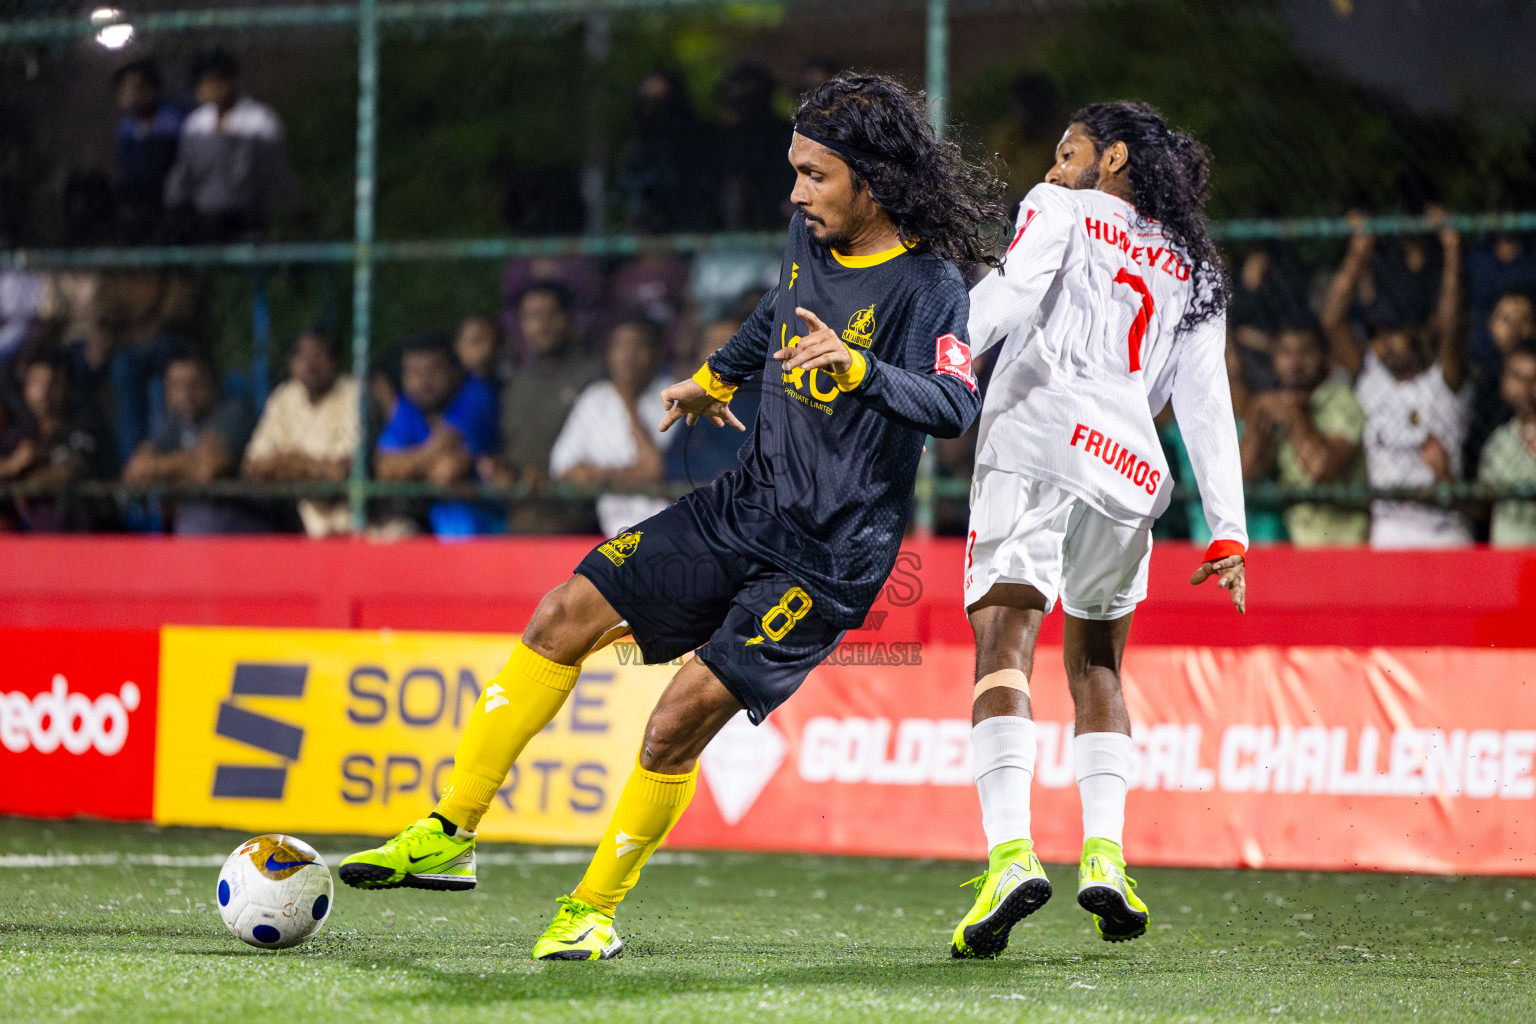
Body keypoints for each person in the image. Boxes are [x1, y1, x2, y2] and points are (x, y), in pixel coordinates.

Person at [338, 71, 1002, 962]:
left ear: (871, 182)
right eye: (795, 172)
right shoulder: (806, 236)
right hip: (746, 505)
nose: (796, 192)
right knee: (561, 614)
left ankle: (591, 912)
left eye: (815, 176)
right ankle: (449, 830)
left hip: (830, 555)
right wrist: (717, 376)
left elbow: (955, 404)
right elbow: (776, 311)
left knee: (675, 719)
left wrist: (860, 372)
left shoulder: (929, 285)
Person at [954, 101, 1246, 957]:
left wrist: (931, 360)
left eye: (1068, 150)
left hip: (1036, 441)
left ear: (1112, 157)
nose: (1051, 167)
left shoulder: (1060, 210)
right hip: (1127, 469)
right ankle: (1107, 858)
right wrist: (1227, 529)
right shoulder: (1195, 265)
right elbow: (1204, 400)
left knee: (1003, 644)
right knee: (1098, 661)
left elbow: (1008, 295)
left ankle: (1011, 856)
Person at [1325, 219, 1470, 549]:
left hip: (1444, 533)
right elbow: (1332, 319)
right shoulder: (1372, 377)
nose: (1384, 344)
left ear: (1415, 331)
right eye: (1376, 336)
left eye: (1393, 333)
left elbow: (1451, 325)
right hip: (1388, 532)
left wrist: (1452, 251)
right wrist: (1358, 252)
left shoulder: (1443, 379)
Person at [486, 283, 604, 532]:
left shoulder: (596, 377)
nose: (542, 324)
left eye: (551, 314)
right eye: (531, 316)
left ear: (568, 318)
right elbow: (510, 448)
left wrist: (555, 481)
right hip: (524, 518)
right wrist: (501, 471)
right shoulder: (516, 384)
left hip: (581, 521)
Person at [1239, 323, 1369, 546]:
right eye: (1286, 352)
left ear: (1324, 355)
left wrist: (1293, 415)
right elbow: (1243, 473)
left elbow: (1319, 467)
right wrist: (1257, 421)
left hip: (1345, 545)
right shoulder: (1274, 405)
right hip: (1295, 547)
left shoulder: (1342, 399)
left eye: (1306, 352)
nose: (1295, 363)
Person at [549, 317, 674, 536]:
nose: (627, 356)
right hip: (609, 534)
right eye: (620, 345)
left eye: (638, 345)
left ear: (656, 353)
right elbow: (562, 467)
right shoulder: (595, 398)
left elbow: (654, 469)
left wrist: (627, 401)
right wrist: (622, 475)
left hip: (666, 533)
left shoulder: (677, 396)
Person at [163, 47, 300, 242]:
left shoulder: (259, 121)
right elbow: (184, 172)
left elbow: (273, 174)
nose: (209, 87)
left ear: (230, 81)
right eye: (203, 82)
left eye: (215, 80)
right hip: (203, 216)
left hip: (248, 214)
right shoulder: (195, 124)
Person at [375, 331, 498, 537]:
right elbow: (384, 468)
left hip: (482, 524)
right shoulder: (408, 405)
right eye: (414, 372)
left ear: (454, 371)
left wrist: (407, 468)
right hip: (426, 520)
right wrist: (422, 467)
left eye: (433, 370)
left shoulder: (476, 394)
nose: (423, 381)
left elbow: (446, 471)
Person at [122, 351, 260, 534]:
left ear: (212, 383)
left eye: (194, 384)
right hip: (188, 541)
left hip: (238, 538)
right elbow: (135, 471)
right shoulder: (172, 422)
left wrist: (163, 469)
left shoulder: (233, 413)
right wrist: (186, 465)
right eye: (176, 386)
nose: (186, 394)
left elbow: (207, 470)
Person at [242, 329, 359, 538]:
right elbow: (255, 466)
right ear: (291, 363)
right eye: (303, 355)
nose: (311, 363)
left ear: (335, 360)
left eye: (319, 354)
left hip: (348, 518)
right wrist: (311, 467)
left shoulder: (354, 394)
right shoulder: (284, 397)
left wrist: (286, 462)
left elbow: (339, 472)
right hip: (294, 516)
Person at [0, 348, 112, 531]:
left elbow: (72, 471)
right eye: (36, 383)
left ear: (64, 385)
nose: (44, 391)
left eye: (51, 383)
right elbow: (9, 463)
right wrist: (12, 465)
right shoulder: (20, 432)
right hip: (28, 540)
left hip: (81, 535)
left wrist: (27, 477)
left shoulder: (83, 424)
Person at [665, 315, 762, 485]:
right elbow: (671, 463)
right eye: (713, 343)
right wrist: (707, 474)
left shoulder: (771, 403)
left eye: (731, 343)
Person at [111, 59, 184, 242]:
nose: (130, 93)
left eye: (137, 87)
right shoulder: (126, 126)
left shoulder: (171, 120)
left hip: (169, 201)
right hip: (135, 203)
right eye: (125, 88)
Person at [1478, 344, 1536, 546]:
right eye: (1518, 377)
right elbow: (1482, 509)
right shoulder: (1498, 441)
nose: (1528, 388)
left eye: (1534, 378)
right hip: (1508, 560)